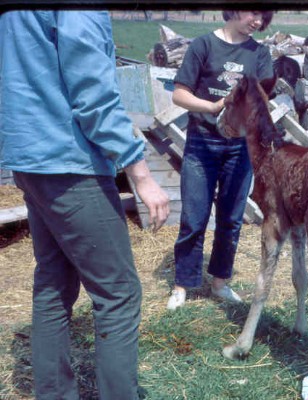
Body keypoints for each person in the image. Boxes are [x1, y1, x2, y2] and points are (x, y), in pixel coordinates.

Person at [0, 10, 170, 399]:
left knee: (53, 283)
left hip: (29, 155)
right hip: (69, 161)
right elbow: (93, 92)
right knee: (118, 293)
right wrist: (140, 174)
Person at [166, 10, 275, 310]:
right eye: (254, 13)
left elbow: (263, 99)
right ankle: (182, 285)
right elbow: (179, 95)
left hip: (239, 149)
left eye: (264, 17)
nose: (258, 22)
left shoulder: (260, 54)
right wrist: (214, 106)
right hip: (202, 142)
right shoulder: (202, 46)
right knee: (193, 218)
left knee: (230, 219)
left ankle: (220, 283)